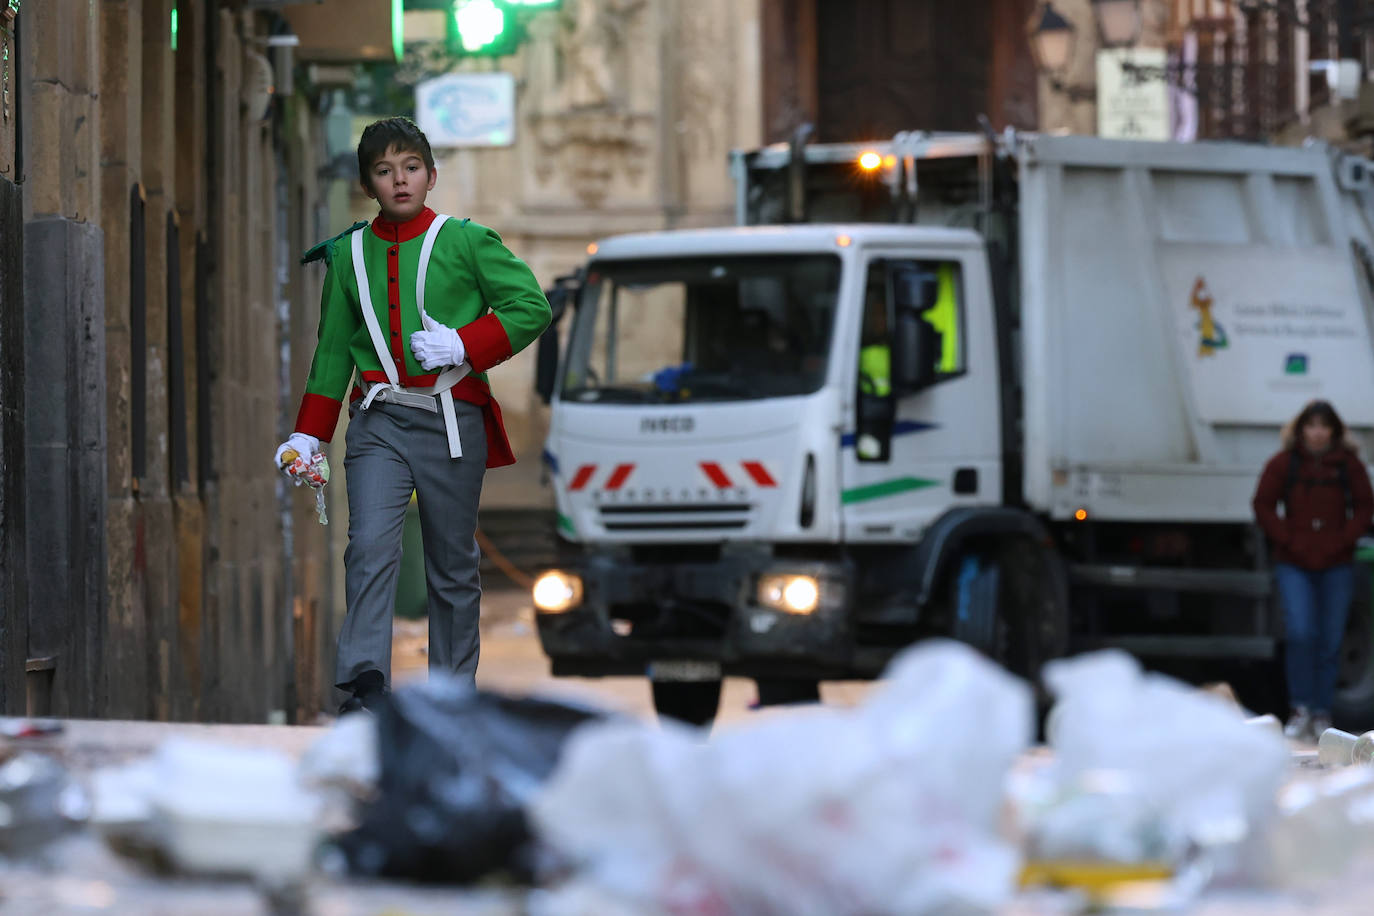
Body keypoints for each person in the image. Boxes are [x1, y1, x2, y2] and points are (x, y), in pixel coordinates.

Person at [275, 117, 551, 714]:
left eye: (410, 167)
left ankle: (451, 697)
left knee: (452, 565)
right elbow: (330, 351)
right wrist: (309, 434)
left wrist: (464, 345)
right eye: (383, 170)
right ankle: (366, 685)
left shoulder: (468, 241)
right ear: (367, 184)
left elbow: (531, 306)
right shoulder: (346, 254)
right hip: (378, 422)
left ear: (430, 174)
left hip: (455, 418)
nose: (399, 180)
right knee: (369, 546)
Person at [1253, 400, 1373, 741]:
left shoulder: (1348, 466)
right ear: (1301, 429)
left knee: (1330, 639)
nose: (1317, 433)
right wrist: (1286, 538)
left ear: (1334, 431)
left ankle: (1322, 712)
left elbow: (1365, 506)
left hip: (1336, 564)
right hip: (1295, 563)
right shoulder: (1284, 463)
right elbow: (1263, 503)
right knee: (1301, 633)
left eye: (1324, 426)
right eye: (1312, 425)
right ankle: (1300, 708)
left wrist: (1345, 539)